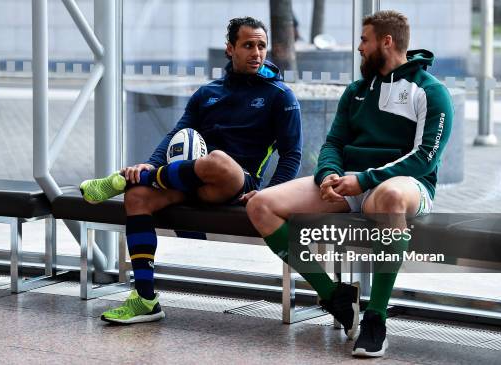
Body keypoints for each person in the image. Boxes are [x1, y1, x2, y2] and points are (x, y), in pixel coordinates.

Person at [246, 10, 453, 358]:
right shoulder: (357, 91)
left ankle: (376, 318)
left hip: (404, 187)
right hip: (349, 183)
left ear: (386, 42)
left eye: (364, 39)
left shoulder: (431, 92)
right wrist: (327, 174)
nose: (359, 47)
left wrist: (365, 180)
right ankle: (334, 296)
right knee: (260, 205)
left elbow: (424, 159)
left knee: (386, 198)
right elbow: (333, 142)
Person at [80, 16, 302, 325]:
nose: (256, 53)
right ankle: (145, 299)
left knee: (219, 160)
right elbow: (176, 133)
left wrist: (268, 195)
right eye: (248, 45)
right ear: (230, 49)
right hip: (193, 180)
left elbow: (292, 155)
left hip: (238, 183)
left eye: (261, 46)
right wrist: (152, 164)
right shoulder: (207, 93)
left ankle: (120, 178)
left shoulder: (280, 96)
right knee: (137, 197)